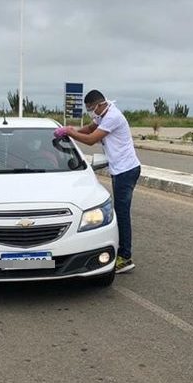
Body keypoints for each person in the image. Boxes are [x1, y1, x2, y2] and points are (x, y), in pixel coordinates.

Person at [62, 90, 142, 273]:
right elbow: (89, 129)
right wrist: (69, 132)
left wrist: (71, 133)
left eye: (91, 108)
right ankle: (123, 253)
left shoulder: (112, 117)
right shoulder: (102, 114)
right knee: (120, 211)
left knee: (122, 213)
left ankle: (125, 257)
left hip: (126, 170)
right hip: (120, 169)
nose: (90, 112)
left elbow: (90, 140)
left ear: (99, 104)